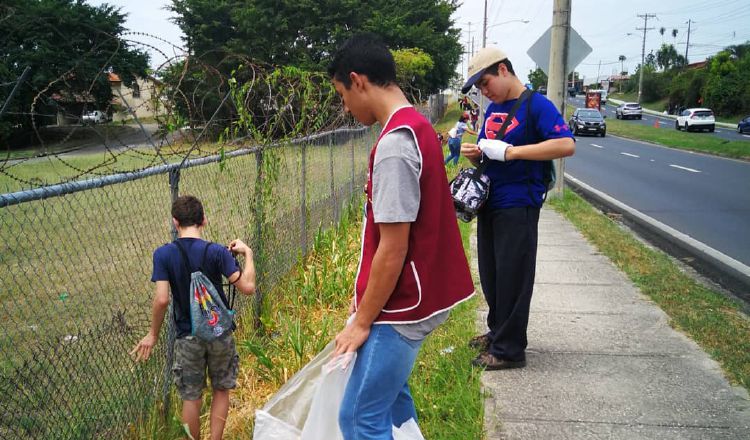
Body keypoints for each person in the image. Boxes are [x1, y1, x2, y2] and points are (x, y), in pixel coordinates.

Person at [327, 34, 474, 439]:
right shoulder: (418, 126)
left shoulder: (394, 145)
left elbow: (393, 248)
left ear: (358, 81)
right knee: (392, 403)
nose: (345, 107)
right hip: (417, 296)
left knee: (359, 419)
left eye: (342, 94)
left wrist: (361, 322)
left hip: (404, 305)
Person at [459, 46, 575, 370]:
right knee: (492, 273)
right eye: (479, 87)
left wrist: (512, 153)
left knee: (513, 275)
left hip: (518, 203)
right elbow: (489, 152)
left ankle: (509, 349)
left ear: (504, 71)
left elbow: (566, 144)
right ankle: (498, 331)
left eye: (485, 83)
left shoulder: (536, 105)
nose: (484, 92)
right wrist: (475, 155)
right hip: (490, 201)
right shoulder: (494, 109)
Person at [130, 195, 256, 440]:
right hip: (219, 332)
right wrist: (247, 254)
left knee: (191, 395)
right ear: (204, 221)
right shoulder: (218, 252)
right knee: (221, 388)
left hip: (187, 335)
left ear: (175, 222)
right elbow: (248, 287)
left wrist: (152, 334)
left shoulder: (163, 255)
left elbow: (162, 300)